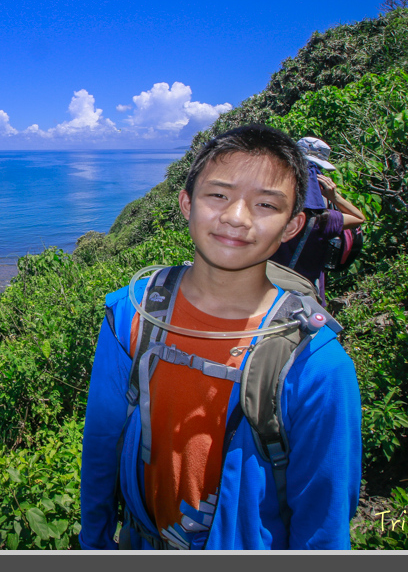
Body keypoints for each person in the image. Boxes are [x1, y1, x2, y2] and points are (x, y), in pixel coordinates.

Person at [79, 124, 361, 550]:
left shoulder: (317, 364)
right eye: (219, 195)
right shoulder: (132, 313)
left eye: (266, 203)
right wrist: (94, 542)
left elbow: (324, 524)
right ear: (186, 203)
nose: (236, 217)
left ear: (292, 226)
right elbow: (102, 441)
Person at [270, 137, 365, 303]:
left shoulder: (269, 211)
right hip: (305, 293)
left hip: (266, 289)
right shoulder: (325, 220)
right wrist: (334, 197)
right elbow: (359, 218)